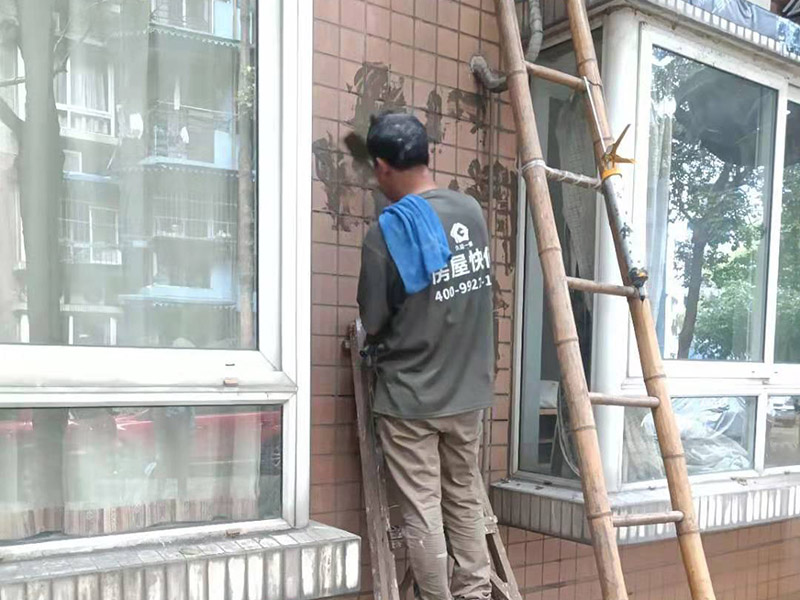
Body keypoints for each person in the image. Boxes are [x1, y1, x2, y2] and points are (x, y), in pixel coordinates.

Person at [357, 112, 494, 600]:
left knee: (422, 509)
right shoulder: (470, 212)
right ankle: (475, 593)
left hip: (411, 398)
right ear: (426, 155)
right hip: (468, 392)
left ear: (381, 167)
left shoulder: (386, 234)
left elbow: (373, 320)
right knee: (464, 497)